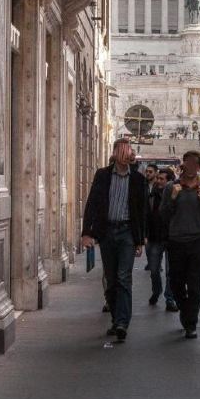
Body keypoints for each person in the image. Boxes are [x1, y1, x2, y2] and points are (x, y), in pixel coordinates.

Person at [81, 139, 147, 342]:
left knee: (123, 277)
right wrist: (86, 233)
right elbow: (92, 203)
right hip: (107, 231)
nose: (127, 155)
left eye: (130, 151)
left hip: (127, 232)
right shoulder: (102, 175)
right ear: (116, 153)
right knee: (111, 280)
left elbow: (142, 211)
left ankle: (122, 323)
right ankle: (116, 317)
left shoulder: (138, 179)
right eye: (123, 151)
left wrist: (140, 240)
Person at [161, 150, 200, 339]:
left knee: (195, 286)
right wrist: (172, 198)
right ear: (183, 165)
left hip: (198, 242)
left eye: (195, 163)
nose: (191, 167)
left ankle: (191, 323)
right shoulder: (171, 187)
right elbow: (163, 215)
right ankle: (186, 313)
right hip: (176, 241)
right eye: (188, 163)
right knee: (176, 283)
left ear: (199, 167)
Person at [146, 168, 177, 311]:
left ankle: (169, 298)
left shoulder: (176, 195)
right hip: (154, 237)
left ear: (169, 181)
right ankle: (156, 290)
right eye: (157, 178)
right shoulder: (152, 195)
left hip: (171, 238)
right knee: (154, 269)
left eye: (161, 179)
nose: (158, 181)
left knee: (171, 271)